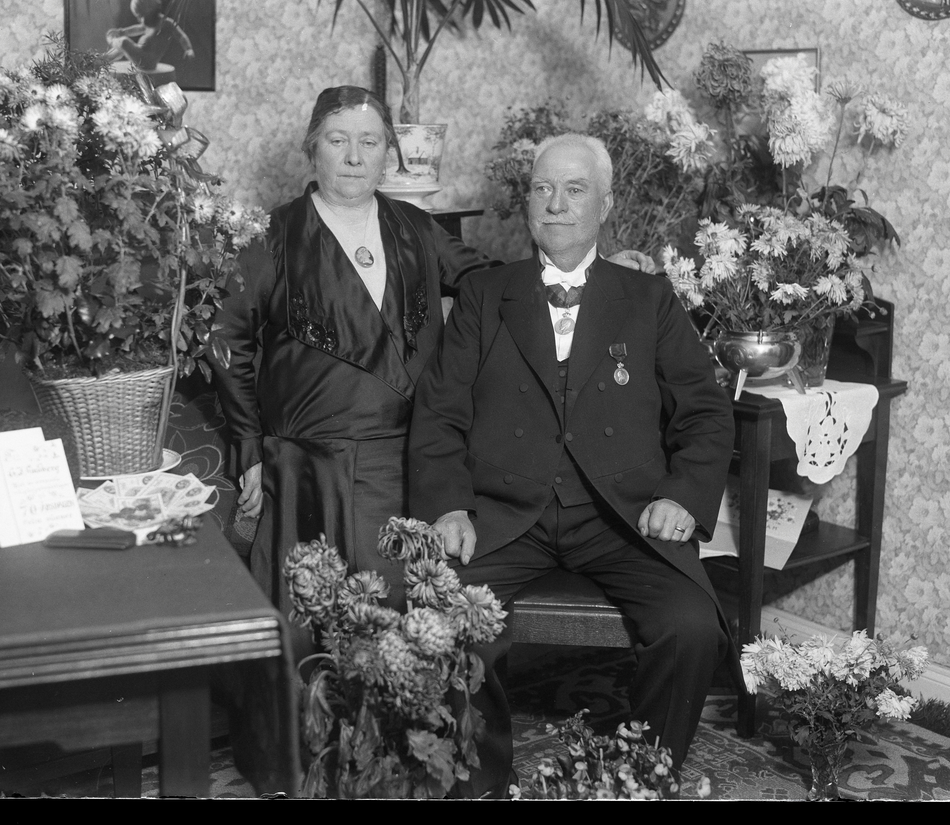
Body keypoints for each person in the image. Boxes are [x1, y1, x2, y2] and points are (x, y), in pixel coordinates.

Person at [208, 88, 654, 620]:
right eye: (337, 140)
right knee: (320, 618)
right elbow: (225, 337)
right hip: (313, 467)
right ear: (312, 148)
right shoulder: (272, 236)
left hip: (411, 458)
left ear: (388, 153)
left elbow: (499, 287)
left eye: (369, 142)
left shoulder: (415, 228)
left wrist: (597, 274)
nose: (354, 157)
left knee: (414, 623)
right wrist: (249, 448)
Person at [407, 133, 739, 797]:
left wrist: (682, 495)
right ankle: (478, 782)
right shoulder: (484, 295)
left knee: (691, 625)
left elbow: (704, 410)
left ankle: (642, 778)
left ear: (605, 205)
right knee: (442, 617)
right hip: (506, 513)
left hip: (619, 514)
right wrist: (447, 506)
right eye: (543, 189)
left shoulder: (648, 297)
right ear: (528, 201)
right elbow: (439, 412)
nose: (555, 204)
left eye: (574, 189)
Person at [103, 0, 195, 71]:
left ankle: (112, 40)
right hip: (141, 56)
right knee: (123, 48)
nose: (139, 20)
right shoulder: (150, 23)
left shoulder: (166, 23)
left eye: (141, 16)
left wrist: (188, 49)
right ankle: (106, 58)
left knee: (123, 42)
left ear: (151, 11)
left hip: (146, 62)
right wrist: (122, 31)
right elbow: (137, 29)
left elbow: (181, 36)